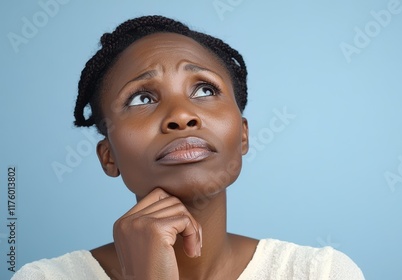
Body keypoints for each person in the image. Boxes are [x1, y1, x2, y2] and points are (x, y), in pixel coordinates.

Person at [12, 15, 364, 279]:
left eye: (205, 90)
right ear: (109, 157)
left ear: (243, 135)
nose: (181, 115)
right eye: (142, 98)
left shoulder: (321, 273)